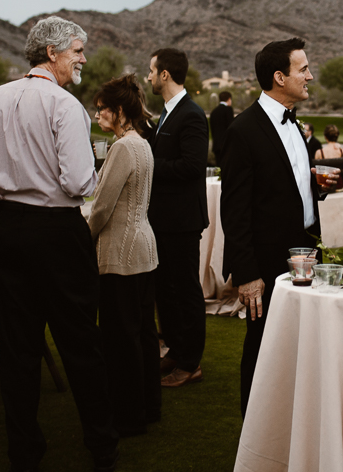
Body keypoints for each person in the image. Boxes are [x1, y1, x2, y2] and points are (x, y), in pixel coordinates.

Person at [0, 17, 118, 472]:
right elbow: (76, 181)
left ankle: (24, 452)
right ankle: (103, 447)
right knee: (80, 343)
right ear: (51, 53)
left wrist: (5, 220)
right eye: (76, 50)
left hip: (10, 231)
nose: (83, 58)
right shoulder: (64, 104)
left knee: (18, 347)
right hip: (57, 233)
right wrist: (91, 180)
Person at [221, 37, 338, 416]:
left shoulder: (296, 125)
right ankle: (255, 429)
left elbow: (284, 186)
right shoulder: (243, 131)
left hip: (306, 250)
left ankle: (298, 419)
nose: (310, 76)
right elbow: (234, 210)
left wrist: (313, 187)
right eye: (303, 69)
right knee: (263, 344)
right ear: (278, 77)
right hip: (268, 260)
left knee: (305, 341)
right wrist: (248, 273)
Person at [88, 74, 161, 437]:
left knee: (121, 337)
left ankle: (129, 415)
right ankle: (148, 407)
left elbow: (101, 208)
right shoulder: (142, 143)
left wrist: (82, 237)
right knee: (144, 332)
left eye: (102, 109)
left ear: (119, 111)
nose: (97, 115)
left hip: (121, 254)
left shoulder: (121, 148)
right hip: (144, 249)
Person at [146, 48, 209, 388]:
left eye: (152, 71)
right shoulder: (166, 113)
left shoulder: (192, 114)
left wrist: (149, 164)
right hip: (163, 220)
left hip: (183, 221)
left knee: (185, 291)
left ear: (165, 74)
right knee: (165, 290)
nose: (149, 77)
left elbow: (192, 166)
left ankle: (190, 363)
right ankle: (174, 349)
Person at [210, 91, 234, 164]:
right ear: (229, 99)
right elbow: (231, 127)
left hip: (216, 145)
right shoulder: (228, 110)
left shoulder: (214, 112)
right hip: (226, 146)